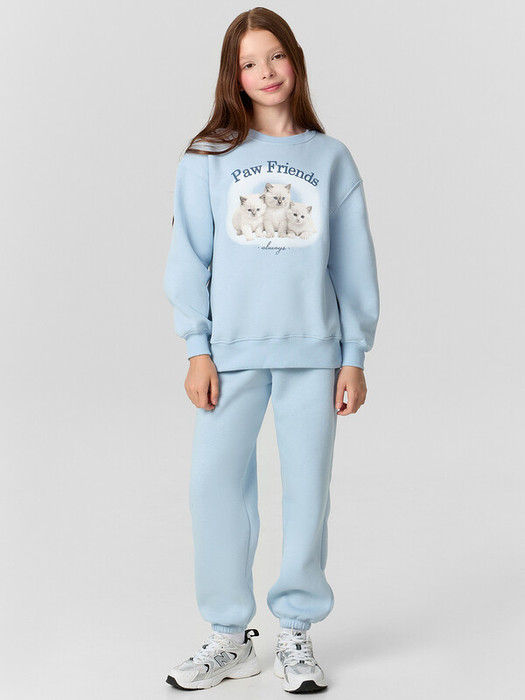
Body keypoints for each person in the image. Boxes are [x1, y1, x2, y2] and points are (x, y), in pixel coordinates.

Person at [163, 6, 380, 694]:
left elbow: (353, 267)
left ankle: (295, 631)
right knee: (213, 487)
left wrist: (354, 355)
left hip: (314, 353)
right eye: (249, 62)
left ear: (295, 60)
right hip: (229, 353)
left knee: (307, 492)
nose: (265, 71)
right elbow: (188, 257)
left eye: (275, 55)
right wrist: (196, 347)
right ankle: (230, 636)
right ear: (233, 76)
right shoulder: (206, 158)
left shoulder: (330, 157)